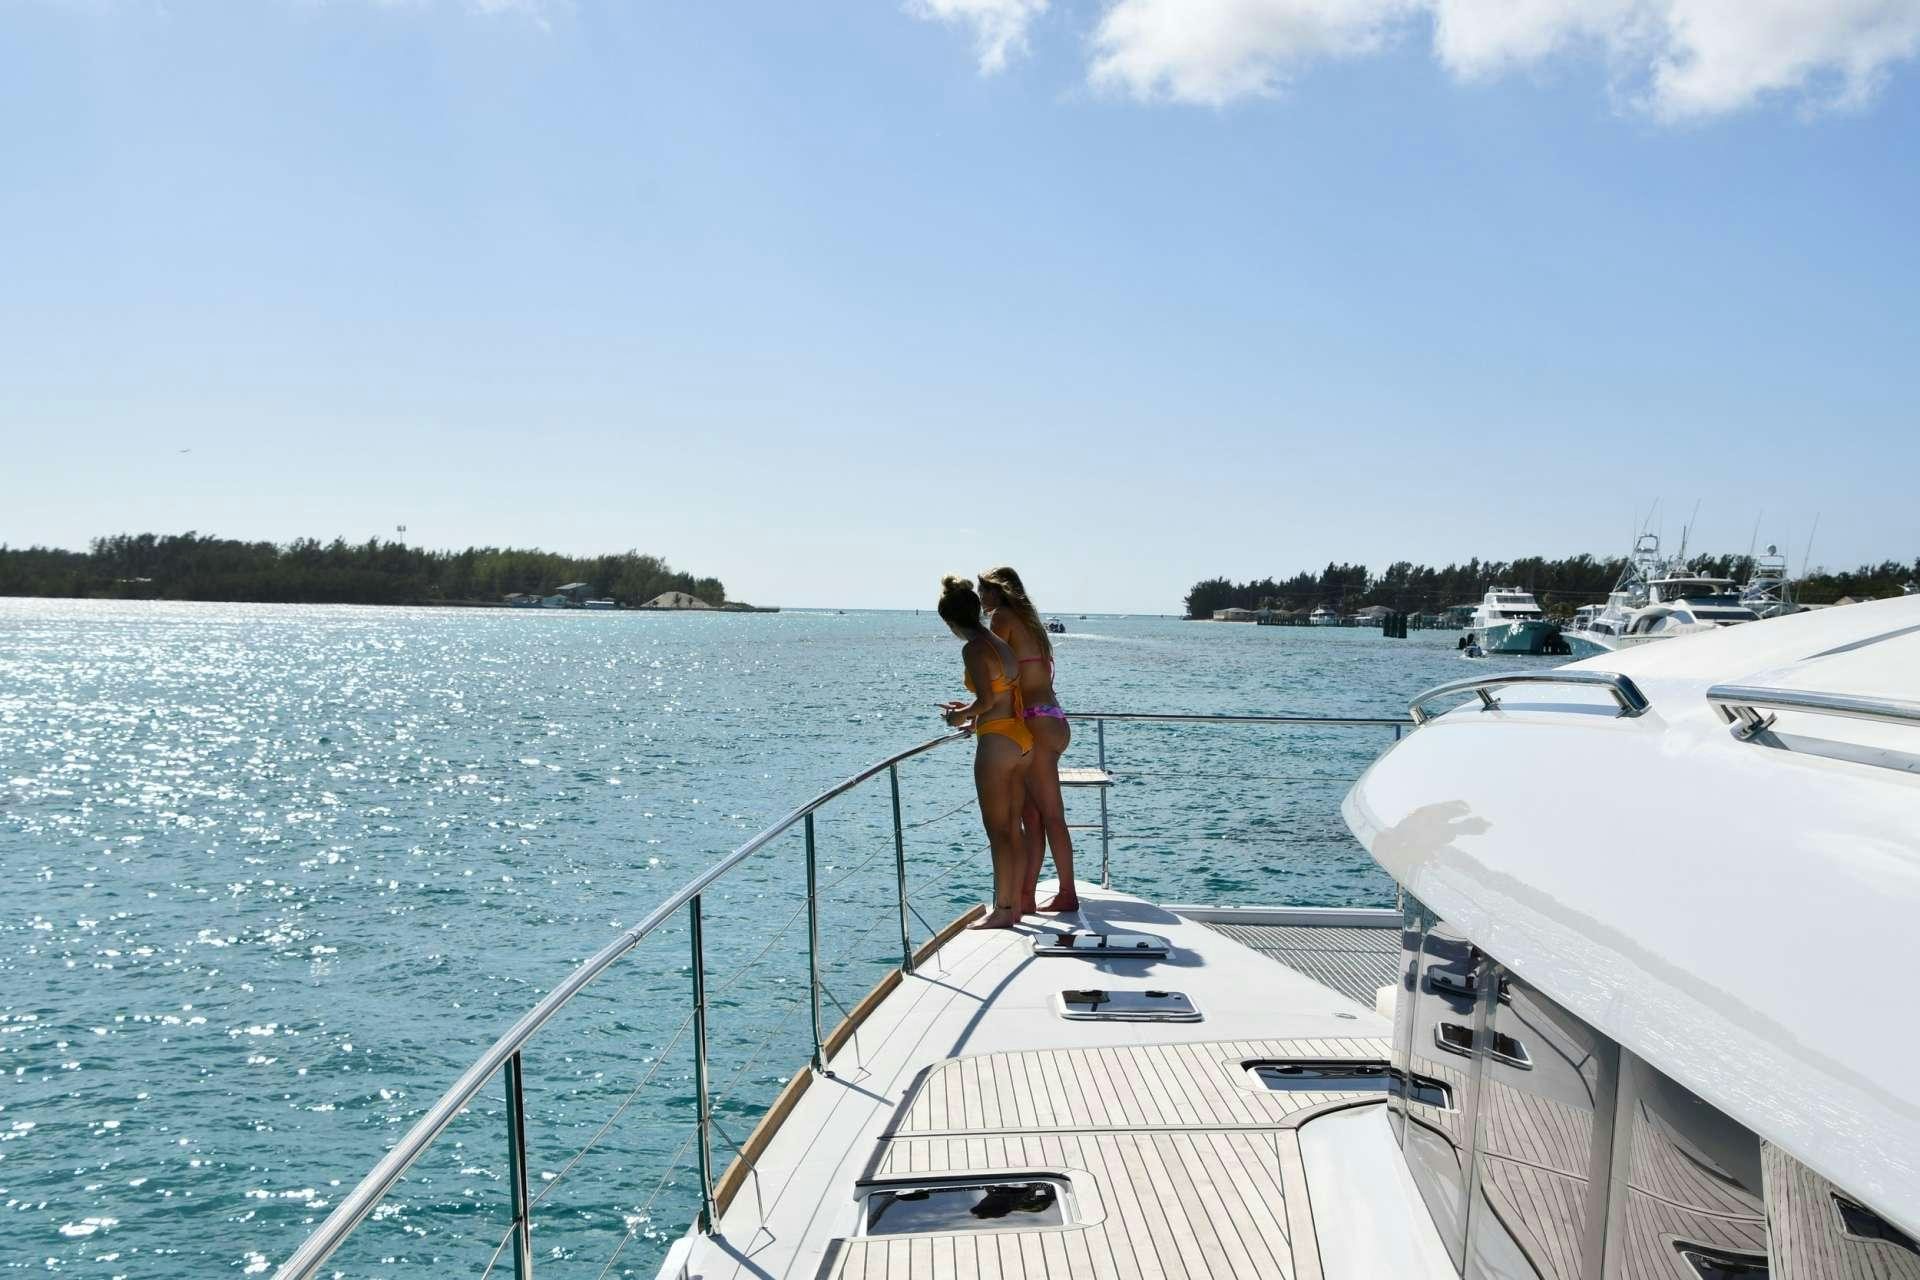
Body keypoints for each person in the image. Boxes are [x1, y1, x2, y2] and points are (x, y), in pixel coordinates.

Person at [977, 566, 1078, 914]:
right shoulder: (1031, 622)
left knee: (1048, 816)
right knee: (1035, 815)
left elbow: (996, 675)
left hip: (1034, 721)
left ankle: (1066, 893)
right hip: (1053, 718)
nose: (981, 597)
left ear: (999, 592)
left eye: (985, 590)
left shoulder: (1002, 618)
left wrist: (975, 711)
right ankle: (1027, 896)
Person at [935, 575, 1032, 930]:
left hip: (997, 742)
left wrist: (958, 716)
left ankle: (1003, 910)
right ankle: (1014, 906)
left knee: (998, 831)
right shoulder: (998, 643)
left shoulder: (973, 648)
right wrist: (973, 711)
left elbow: (986, 701)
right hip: (1021, 738)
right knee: (1013, 829)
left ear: (951, 621)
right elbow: (997, 694)